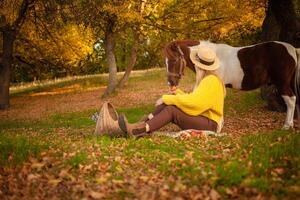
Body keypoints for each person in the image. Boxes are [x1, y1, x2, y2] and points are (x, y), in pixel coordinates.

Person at [118, 47, 225, 137]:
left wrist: (167, 98)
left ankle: (137, 130)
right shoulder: (209, 79)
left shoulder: (211, 81)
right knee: (169, 102)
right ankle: (141, 124)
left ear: (198, 66)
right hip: (204, 119)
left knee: (171, 109)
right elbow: (196, 98)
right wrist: (177, 93)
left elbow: (195, 103)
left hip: (210, 124)